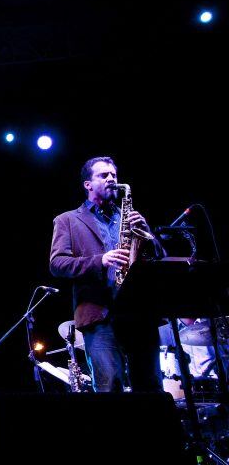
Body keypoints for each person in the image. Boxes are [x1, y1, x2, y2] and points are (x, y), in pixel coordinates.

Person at [50, 156, 162, 392]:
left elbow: (159, 258)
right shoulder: (67, 220)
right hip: (100, 317)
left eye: (114, 175)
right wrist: (100, 260)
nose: (111, 179)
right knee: (110, 386)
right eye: (104, 175)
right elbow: (57, 264)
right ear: (87, 184)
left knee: (151, 386)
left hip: (138, 314)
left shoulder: (129, 218)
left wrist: (147, 233)